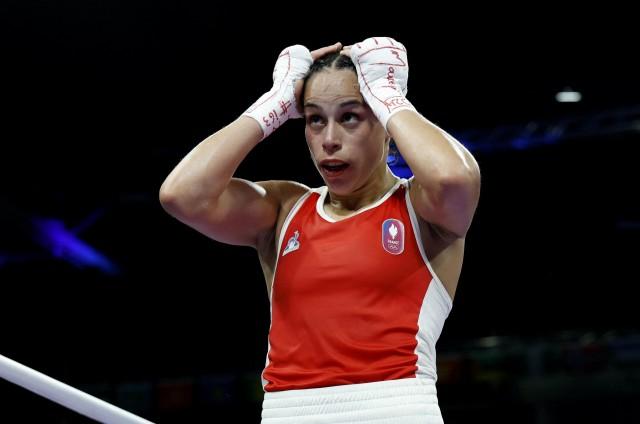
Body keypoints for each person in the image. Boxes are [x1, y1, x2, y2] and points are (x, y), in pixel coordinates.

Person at [159, 37, 480, 423]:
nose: (329, 140)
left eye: (350, 116)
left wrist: (388, 94)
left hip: (397, 408)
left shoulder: (423, 208)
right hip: (287, 412)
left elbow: (454, 178)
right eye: (314, 119)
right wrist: (274, 102)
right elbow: (181, 195)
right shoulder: (284, 210)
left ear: (384, 123)